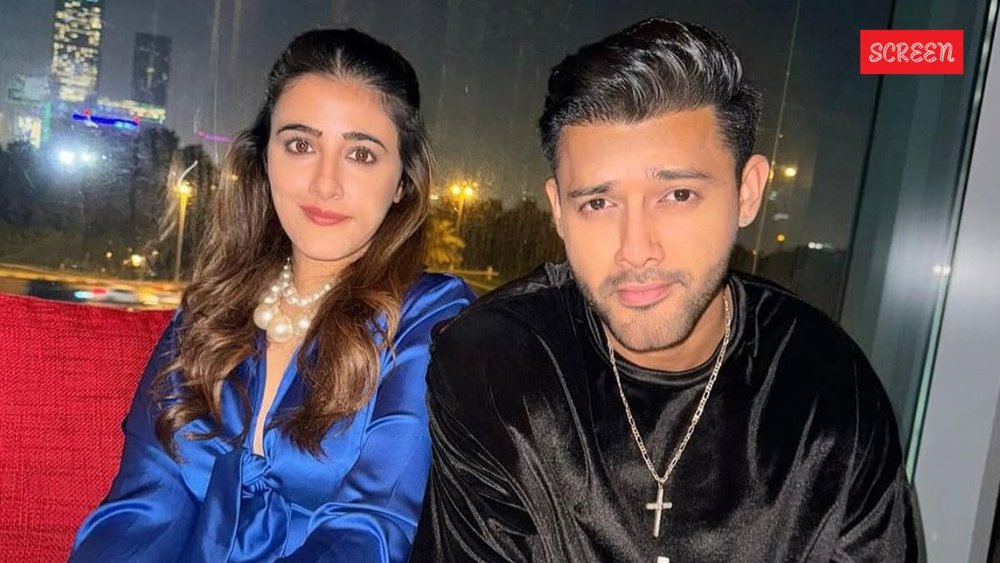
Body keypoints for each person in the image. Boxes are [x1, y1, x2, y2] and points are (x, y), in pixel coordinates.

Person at [410, 18, 921, 562]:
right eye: (598, 203)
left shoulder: (828, 390)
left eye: (677, 195)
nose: (636, 249)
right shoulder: (496, 367)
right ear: (558, 211)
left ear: (747, 193)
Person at [71, 29, 474, 562]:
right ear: (265, 157)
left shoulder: (429, 318)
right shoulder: (211, 310)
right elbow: (142, 507)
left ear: (402, 181)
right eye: (300, 145)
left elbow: (371, 533)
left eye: (361, 154)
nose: (324, 184)